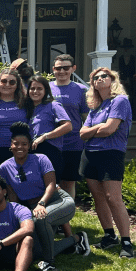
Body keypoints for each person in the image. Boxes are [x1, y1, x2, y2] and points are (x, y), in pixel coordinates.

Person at [0, 122, 85, 271]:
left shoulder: (41, 159)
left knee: (40, 218)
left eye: (24, 144)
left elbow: (51, 185)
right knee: (35, 251)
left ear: (29, 145)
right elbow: (12, 195)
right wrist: (17, 216)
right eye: (16, 143)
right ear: (10, 145)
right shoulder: (4, 167)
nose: (20, 147)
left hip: (58, 201)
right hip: (33, 208)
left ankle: (49, 262)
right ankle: (77, 239)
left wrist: (42, 203)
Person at [80, 67, 135, 259]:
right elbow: (82, 133)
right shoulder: (95, 107)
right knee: (98, 197)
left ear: (113, 80)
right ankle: (109, 236)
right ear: (93, 84)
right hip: (90, 155)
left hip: (111, 154)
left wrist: (94, 130)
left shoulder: (120, 101)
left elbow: (110, 129)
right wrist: (99, 128)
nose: (100, 79)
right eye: (96, 78)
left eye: (105, 76)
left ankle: (126, 242)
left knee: (113, 198)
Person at [49, 54, 89, 209]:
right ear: (53, 69)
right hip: (50, 142)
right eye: (58, 68)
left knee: (69, 181)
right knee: (50, 181)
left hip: (73, 143)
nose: (62, 71)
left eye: (66, 68)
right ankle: (51, 213)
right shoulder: (46, 88)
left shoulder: (81, 90)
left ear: (73, 69)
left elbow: (86, 117)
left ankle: (67, 214)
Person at [25, 75, 72, 178]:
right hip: (31, 152)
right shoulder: (27, 108)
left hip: (49, 151)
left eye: (39, 88)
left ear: (45, 90)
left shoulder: (53, 105)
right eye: (32, 88)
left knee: (50, 186)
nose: (35, 91)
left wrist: (44, 136)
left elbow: (68, 126)